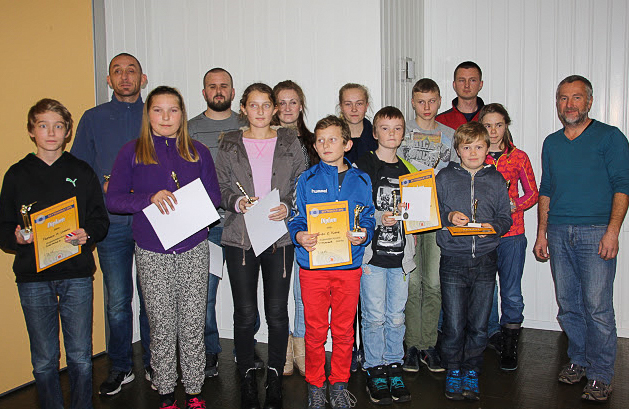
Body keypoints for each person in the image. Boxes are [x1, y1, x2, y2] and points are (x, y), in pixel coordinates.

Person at [107, 86, 221, 409]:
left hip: (193, 247)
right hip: (152, 250)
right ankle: (166, 392)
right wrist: (149, 199)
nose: (166, 117)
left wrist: (189, 203)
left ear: (182, 115)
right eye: (158, 110)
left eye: (173, 110)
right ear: (148, 114)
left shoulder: (198, 152)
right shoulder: (132, 152)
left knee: (193, 322)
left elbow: (214, 198)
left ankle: (195, 391)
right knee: (161, 324)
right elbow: (114, 200)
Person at [0, 99, 109, 409]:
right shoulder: (17, 174)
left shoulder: (81, 171)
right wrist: (16, 238)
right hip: (33, 278)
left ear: (68, 131)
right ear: (31, 131)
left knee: (80, 356)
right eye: (43, 126)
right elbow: (4, 226)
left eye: (58, 126)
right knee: (44, 359)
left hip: (76, 275)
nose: (51, 132)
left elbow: (100, 220)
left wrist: (87, 234)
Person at [533, 75, 629, 402]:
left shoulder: (610, 137)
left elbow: (623, 186)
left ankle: (601, 374)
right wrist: (542, 233)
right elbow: (546, 190)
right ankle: (579, 360)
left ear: (589, 101)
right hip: (559, 232)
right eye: (563, 98)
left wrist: (612, 231)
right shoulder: (552, 143)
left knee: (597, 307)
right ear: (557, 103)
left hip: (596, 232)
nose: (569, 104)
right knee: (569, 305)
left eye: (576, 97)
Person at [215, 83, 306, 409]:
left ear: (274, 109)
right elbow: (219, 186)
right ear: (243, 108)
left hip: (279, 236)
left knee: (277, 312)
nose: (260, 111)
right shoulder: (229, 143)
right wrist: (236, 201)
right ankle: (245, 378)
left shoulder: (290, 141)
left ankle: (275, 379)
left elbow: (302, 182)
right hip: (240, 237)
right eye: (253, 105)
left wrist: (288, 206)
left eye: (266, 105)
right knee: (244, 313)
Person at [71, 52, 153, 395]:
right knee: (118, 301)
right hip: (112, 222)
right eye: (117, 71)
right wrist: (106, 186)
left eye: (131, 70)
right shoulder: (93, 118)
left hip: (152, 221)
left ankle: (155, 362)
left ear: (143, 78)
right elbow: (78, 169)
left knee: (152, 298)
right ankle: (121, 365)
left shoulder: (157, 114)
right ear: (109, 80)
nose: (125, 76)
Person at [288, 115, 375, 409]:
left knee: (343, 330)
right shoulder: (306, 179)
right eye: (320, 140)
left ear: (347, 144)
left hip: (348, 269)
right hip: (313, 268)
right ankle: (315, 385)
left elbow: (367, 217)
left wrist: (363, 234)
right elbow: (296, 218)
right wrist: (299, 235)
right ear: (314, 145)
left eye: (333, 139)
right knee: (314, 331)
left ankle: (339, 384)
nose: (326, 145)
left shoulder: (361, 179)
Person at [187, 67, 256, 378]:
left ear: (232, 91)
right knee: (205, 293)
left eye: (224, 86)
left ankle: (246, 346)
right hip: (208, 227)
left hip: (244, 224)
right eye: (212, 86)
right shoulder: (189, 130)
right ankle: (210, 350)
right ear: (204, 93)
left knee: (247, 294)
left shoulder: (247, 125)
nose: (218, 91)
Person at [436, 122, 512, 401]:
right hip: (453, 259)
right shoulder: (444, 177)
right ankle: (453, 370)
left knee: (479, 324)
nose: (472, 152)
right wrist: (448, 217)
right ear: (457, 150)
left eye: (479, 147)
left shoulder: (496, 179)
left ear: (487, 149)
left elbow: (505, 217)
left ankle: (472, 370)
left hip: (485, 260)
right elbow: (432, 210)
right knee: (454, 324)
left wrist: (494, 228)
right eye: (466, 147)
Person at [354, 107, 416, 405]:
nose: (392, 134)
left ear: (403, 133)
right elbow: (355, 208)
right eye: (385, 128)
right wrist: (380, 217)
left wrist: (415, 217)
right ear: (375, 132)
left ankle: (394, 364)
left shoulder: (410, 171)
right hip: (373, 258)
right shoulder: (363, 166)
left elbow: (419, 215)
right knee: (374, 316)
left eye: (397, 128)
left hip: (401, 258)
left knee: (396, 316)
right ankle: (374, 368)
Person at [401, 78, 456, 373]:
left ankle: (429, 345)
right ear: (412, 102)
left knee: (433, 283)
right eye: (421, 101)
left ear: (439, 101)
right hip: (409, 217)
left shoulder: (450, 135)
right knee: (412, 283)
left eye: (432, 101)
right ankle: (411, 345)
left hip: (437, 218)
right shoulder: (402, 132)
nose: (426, 107)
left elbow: (457, 174)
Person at [480, 103, 538, 371]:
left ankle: (510, 341)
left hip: (513, 233)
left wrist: (514, 204)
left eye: (498, 125)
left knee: (511, 289)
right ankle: (492, 333)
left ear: (506, 126)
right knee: (486, 287)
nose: (493, 131)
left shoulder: (519, 157)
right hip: (482, 232)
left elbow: (533, 193)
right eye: (488, 125)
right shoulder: (475, 155)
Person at [271, 80, 317, 377]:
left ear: (301, 105)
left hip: (305, 226)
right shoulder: (264, 138)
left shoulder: (314, 141)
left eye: (293, 102)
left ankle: (301, 348)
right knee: (277, 294)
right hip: (274, 222)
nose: (288, 108)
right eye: (282, 102)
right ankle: (281, 348)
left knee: (302, 293)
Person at [436, 61, 484, 131]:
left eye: (472, 80)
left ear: (480, 84)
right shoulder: (440, 122)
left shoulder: (491, 120)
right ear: (454, 85)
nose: (467, 85)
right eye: (462, 80)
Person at [339, 83, 378, 164]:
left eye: (359, 104)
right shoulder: (331, 139)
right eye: (348, 104)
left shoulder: (378, 138)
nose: (354, 109)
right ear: (341, 107)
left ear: (366, 106)